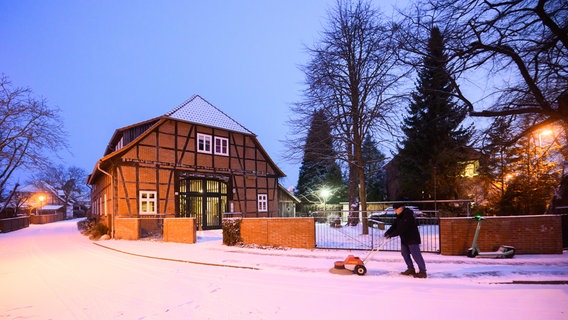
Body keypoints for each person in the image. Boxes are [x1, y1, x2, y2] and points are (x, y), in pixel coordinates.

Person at [384, 203, 427, 278]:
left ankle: (423, 271)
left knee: (416, 255)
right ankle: (410, 269)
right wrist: (388, 232)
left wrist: (391, 235)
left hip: (412, 238)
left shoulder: (407, 215)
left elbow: (401, 229)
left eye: (395, 209)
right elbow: (394, 226)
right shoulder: (399, 216)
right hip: (405, 239)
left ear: (401, 208)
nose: (395, 211)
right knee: (404, 253)